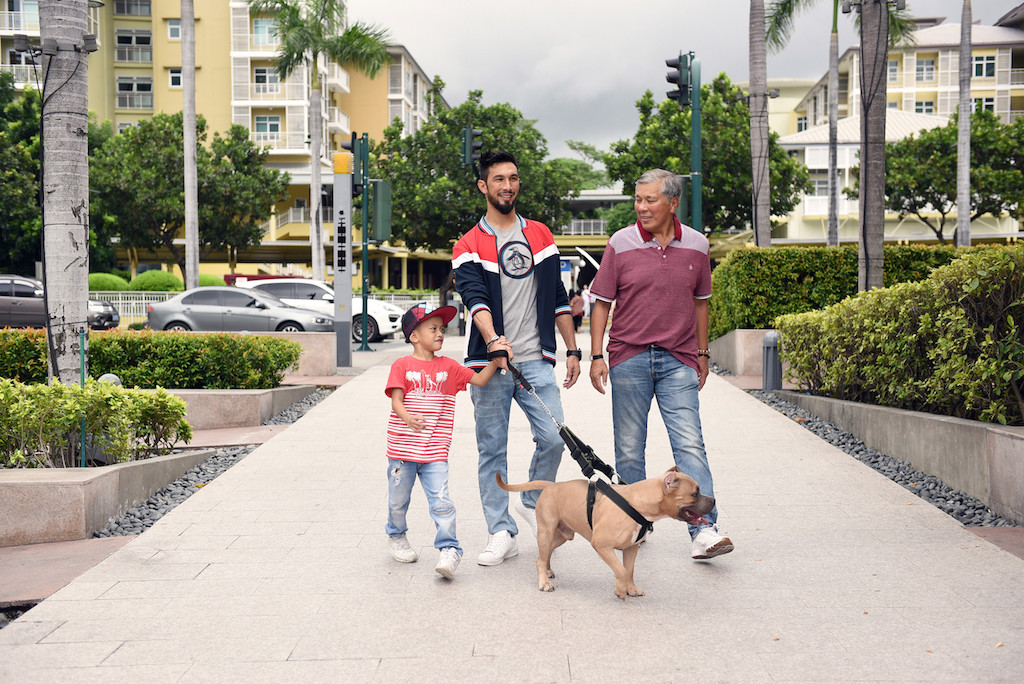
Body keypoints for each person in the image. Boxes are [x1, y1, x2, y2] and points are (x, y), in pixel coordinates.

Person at [588, 168, 733, 560]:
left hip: (678, 360)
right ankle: (635, 523)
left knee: (690, 444)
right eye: (638, 200)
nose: (642, 207)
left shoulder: (698, 246)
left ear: (673, 202)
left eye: (650, 199)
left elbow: (701, 303)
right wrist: (597, 354)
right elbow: (602, 302)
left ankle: (703, 529)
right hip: (629, 357)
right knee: (630, 450)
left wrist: (702, 354)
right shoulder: (621, 242)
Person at [452, 150, 582, 566]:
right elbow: (475, 300)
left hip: (537, 361)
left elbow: (558, 298)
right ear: (483, 187)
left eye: (513, 178)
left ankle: (529, 500)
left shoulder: (541, 235)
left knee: (553, 436)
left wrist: (573, 349)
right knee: (491, 450)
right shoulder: (469, 245)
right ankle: (500, 531)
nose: (507, 186)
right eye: (498, 180)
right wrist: (493, 342)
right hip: (491, 367)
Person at [384, 301, 512, 579]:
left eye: (442, 328)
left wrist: (496, 358)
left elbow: (478, 381)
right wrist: (408, 418)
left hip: (435, 451)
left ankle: (449, 549)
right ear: (414, 336)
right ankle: (396, 535)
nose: (440, 333)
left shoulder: (450, 367)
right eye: (433, 328)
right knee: (398, 501)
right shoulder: (402, 365)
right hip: (402, 451)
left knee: (442, 501)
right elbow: (396, 401)